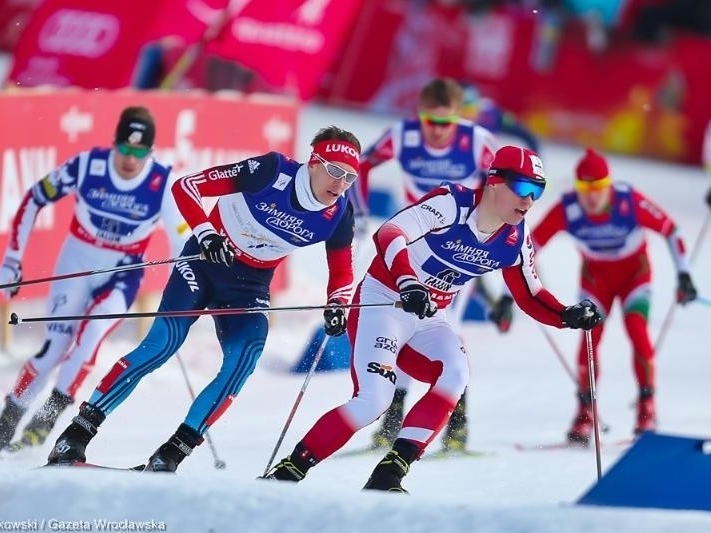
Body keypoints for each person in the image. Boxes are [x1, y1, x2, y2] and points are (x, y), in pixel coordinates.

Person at [265, 145, 602, 492]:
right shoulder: (452, 203)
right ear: (494, 183)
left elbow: (530, 296)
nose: (529, 201)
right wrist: (408, 281)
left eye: (538, 191)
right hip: (384, 302)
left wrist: (567, 315)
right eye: (523, 189)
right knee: (374, 400)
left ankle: (389, 474)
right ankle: (290, 471)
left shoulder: (516, 239)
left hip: (428, 315)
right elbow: (390, 233)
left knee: (456, 373)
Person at [45, 126, 360, 471]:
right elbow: (187, 187)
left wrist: (338, 305)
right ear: (314, 162)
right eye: (334, 170)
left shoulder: (338, 215)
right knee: (162, 345)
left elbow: (342, 273)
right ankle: (77, 433)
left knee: (245, 358)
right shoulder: (270, 171)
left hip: (250, 285)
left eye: (349, 177)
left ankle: (172, 454)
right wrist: (206, 233)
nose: (340, 183)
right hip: (205, 262)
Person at [0, 106, 187, 456]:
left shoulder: (163, 182)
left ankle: (44, 421)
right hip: (75, 264)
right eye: (125, 149)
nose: (130, 160)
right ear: (114, 143)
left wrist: (187, 286)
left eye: (139, 153)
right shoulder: (88, 165)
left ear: (150, 152)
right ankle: (4, 424)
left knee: (88, 342)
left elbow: (182, 241)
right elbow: (34, 199)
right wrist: (12, 258)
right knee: (53, 349)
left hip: (121, 274)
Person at [351, 77, 504, 453]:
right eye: (428, 121)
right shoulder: (402, 135)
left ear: (457, 117)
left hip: (457, 250)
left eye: (444, 122)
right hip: (412, 246)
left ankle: (456, 426)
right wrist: (358, 212)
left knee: (443, 329)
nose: (435, 131)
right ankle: (392, 422)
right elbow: (360, 165)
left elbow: (505, 185)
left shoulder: (478, 141)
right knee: (403, 322)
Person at [531, 148, 697, 444]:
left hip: (635, 276)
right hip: (596, 281)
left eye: (598, 187)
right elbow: (529, 245)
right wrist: (511, 292)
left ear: (608, 184)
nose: (591, 196)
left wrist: (684, 274)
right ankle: (585, 411)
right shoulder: (568, 209)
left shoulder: (628, 200)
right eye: (584, 188)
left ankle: (647, 407)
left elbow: (671, 230)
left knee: (636, 330)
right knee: (589, 338)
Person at [459, 81, 541, 153]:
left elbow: (526, 134)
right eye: (463, 107)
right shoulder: (451, 120)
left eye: (471, 105)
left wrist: (535, 160)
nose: (468, 112)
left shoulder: (491, 113)